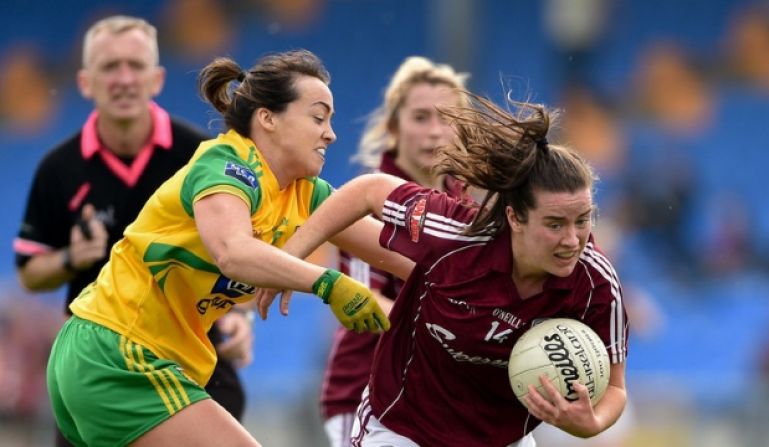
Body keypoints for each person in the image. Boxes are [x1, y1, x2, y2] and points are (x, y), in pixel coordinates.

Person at [45, 47, 404, 446]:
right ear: (267, 118)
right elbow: (232, 252)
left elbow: (400, 255)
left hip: (122, 356)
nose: (330, 133)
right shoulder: (227, 164)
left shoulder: (303, 195)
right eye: (318, 117)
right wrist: (329, 284)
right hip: (120, 351)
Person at [261, 93, 629, 446]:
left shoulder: (596, 281)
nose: (572, 239)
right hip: (402, 430)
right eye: (554, 224)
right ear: (515, 218)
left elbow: (615, 389)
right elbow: (368, 191)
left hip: (504, 441)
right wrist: (289, 259)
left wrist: (591, 422)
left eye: (583, 220)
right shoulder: (455, 236)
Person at [12, 15, 252, 445]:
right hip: (94, 365)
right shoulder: (58, 169)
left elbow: (237, 249)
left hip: (187, 356)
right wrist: (71, 257)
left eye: (135, 66)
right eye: (110, 67)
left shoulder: (198, 157)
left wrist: (239, 316)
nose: (124, 79)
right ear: (85, 82)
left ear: (156, 78)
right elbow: (29, 272)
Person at [319, 55, 471, 447]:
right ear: (393, 126)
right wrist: (458, 331)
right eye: (421, 117)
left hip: (435, 400)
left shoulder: (466, 201)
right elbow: (362, 301)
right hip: (364, 394)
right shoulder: (369, 199)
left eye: (446, 119)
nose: (435, 132)